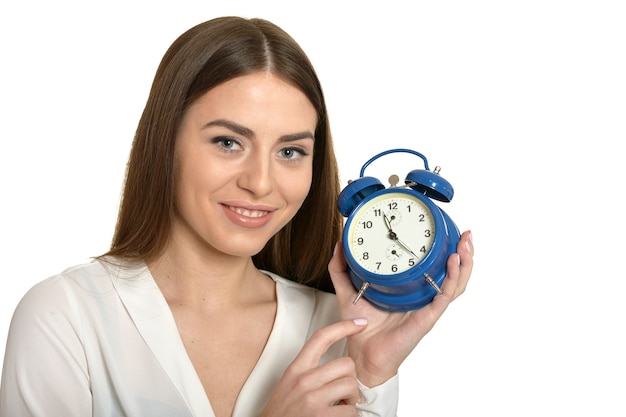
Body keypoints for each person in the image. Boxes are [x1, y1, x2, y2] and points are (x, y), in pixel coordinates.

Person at [0, 16, 474, 417]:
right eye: (229, 142)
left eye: (290, 151)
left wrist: (371, 377)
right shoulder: (67, 317)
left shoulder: (337, 326)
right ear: (165, 141)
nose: (262, 183)